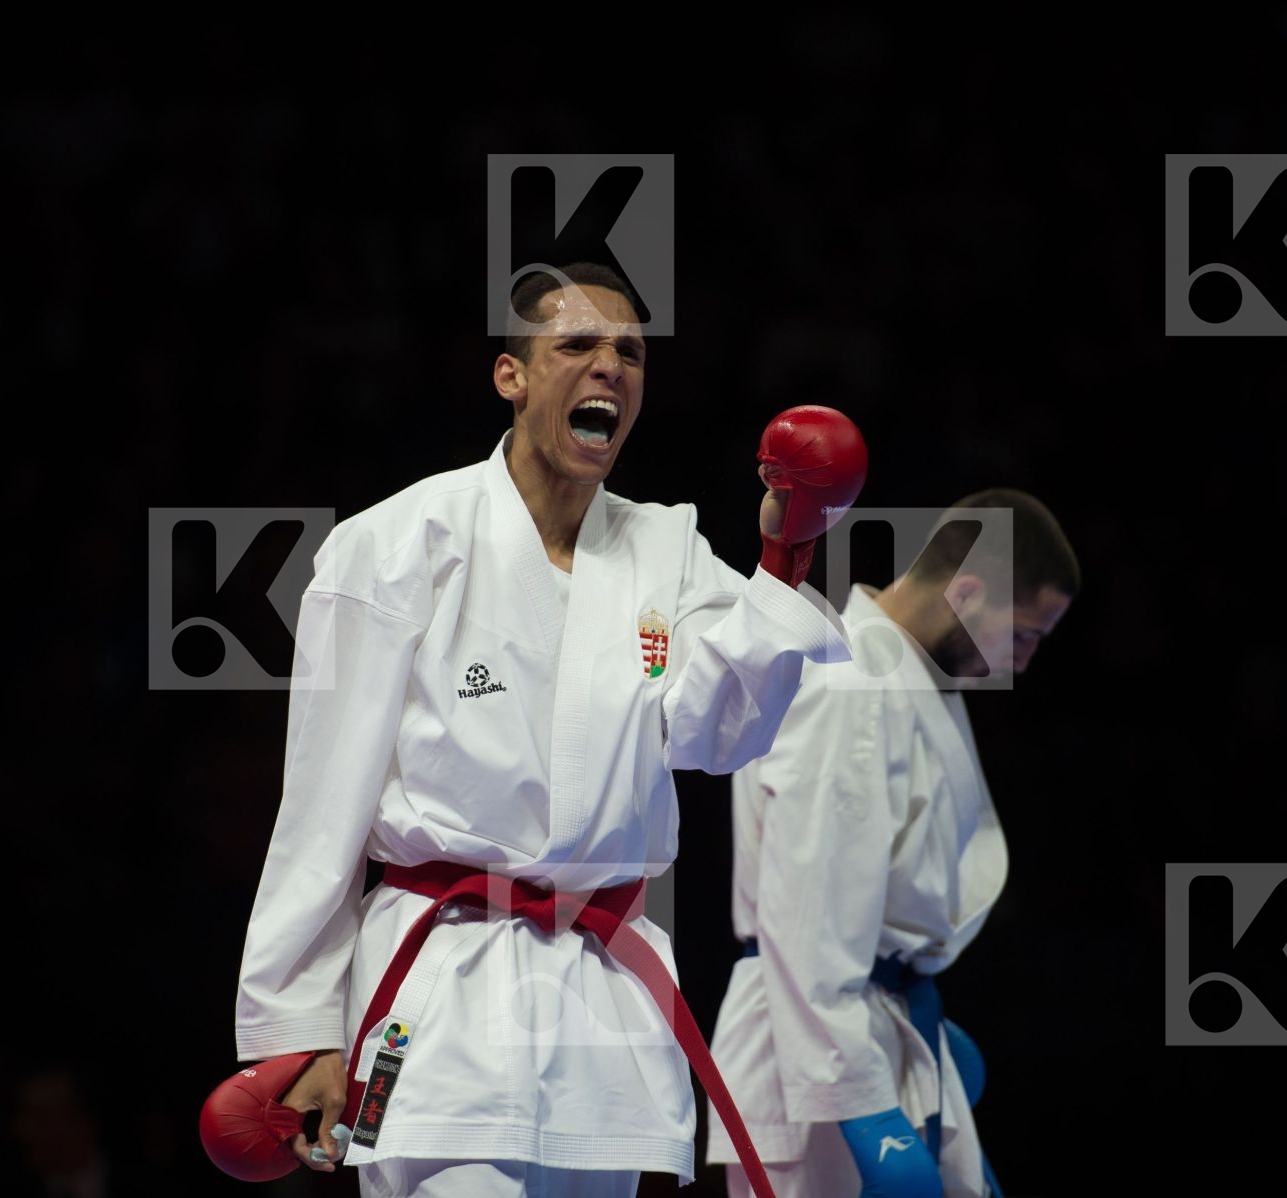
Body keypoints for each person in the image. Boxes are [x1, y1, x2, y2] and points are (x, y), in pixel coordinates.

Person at [224, 263, 865, 1197]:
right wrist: (298, 1028)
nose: (610, 366)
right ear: (512, 376)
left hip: (600, 994)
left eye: (631, 353)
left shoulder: (666, 550)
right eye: (578, 345)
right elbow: (323, 809)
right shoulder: (396, 544)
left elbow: (717, 733)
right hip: (440, 988)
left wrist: (783, 556)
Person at [706, 488, 1080, 1198]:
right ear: (966, 595)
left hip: (875, 1024)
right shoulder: (848, 685)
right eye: (1024, 635)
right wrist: (867, 1113)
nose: (1024, 661)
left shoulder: (906, 677)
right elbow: (808, 916)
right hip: (817, 1057)